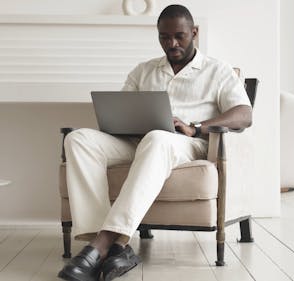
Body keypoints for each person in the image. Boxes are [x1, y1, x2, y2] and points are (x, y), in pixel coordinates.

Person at [57, 4, 252, 281]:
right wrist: (120, 123)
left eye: (179, 36)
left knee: (159, 138)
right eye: (164, 37)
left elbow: (244, 114)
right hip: (138, 139)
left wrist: (195, 127)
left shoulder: (217, 70)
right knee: (78, 139)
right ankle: (107, 245)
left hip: (187, 144)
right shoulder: (143, 70)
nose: (171, 43)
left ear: (194, 33)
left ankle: (104, 244)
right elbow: (123, 109)